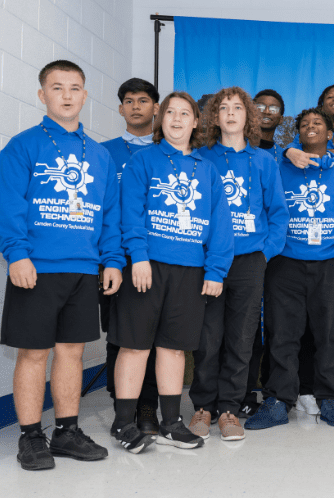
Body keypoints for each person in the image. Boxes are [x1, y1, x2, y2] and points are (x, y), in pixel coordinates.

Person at [0, 60, 124, 470]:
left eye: (75, 88)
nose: (67, 95)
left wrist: (112, 260)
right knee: (33, 354)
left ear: (85, 95)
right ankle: (31, 436)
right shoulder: (23, 145)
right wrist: (16, 253)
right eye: (57, 88)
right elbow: (10, 205)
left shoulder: (101, 156)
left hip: (85, 270)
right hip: (36, 267)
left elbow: (110, 214)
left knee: (71, 352)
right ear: (42, 95)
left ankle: (66, 432)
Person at [110, 91, 234, 452]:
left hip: (191, 271)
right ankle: (122, 424)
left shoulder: (207, 170)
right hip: (146, 266)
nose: (177, 119)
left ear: (197, 122)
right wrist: (139, 256)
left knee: (174, 349)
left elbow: (220, 227)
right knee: (134, 347)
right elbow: (129, 212)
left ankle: (170, 422)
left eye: (185, 113)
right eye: (170, 113)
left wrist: (215, 270)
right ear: (160, 119)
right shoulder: (143, 161)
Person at [244, 107, 334, 430]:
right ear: (297, 133)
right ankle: (278, 401)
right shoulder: (277, 168)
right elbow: (266, 211)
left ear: (331, 133)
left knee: (330, 334)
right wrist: (269, 255)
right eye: (304, 125)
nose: (310, 127)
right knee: (283, 335)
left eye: (318, 124)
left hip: (331, 265)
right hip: (285, 265)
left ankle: (329, 398)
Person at [187, 87, 289, 441]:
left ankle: (230, 408)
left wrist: (264, 253)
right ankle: (203, 406)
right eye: (223, 108)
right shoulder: (200, 157)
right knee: (207, 338)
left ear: (248, 116)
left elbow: (278, 214)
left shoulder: (264, 161)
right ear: (214, 116)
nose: (230, 113)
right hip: (208, 261)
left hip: (250, 261)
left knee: (241, 338)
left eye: (237, 108)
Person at [101, 77, 161, 435]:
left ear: (156, 107)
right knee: (121, 335)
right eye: (128, 100)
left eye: (143, 100)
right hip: (116, 257)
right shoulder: (102, 152)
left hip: (162, 258)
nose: (136, 106)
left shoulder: (170, 151)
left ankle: (149, 408)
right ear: (121, 108)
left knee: (155, 337)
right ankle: (121, 407)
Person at [241, 87, 287, 418]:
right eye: (261, 106)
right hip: (236, 255)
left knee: (273, 326)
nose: (267, 111)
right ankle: (241, 392)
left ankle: (269, 392)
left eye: (274, 107)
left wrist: (267, 252)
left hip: (272, 255)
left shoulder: (286, 155)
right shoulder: (236, 149)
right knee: (243, 328)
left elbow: (278, 210)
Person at [253, 89, 285, 159]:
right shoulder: (234, 147)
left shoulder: (284, 157)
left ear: (281, 119)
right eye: (260, 107)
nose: (266, 112)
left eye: (273, 109)